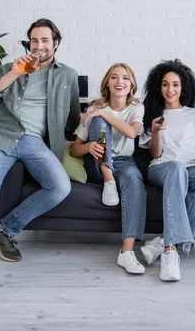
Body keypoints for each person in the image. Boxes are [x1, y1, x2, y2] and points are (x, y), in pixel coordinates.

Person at [0, 19, 80, 297]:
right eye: (34, 41)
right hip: (1, 135)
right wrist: (14, 73)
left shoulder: (67, 75)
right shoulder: (12, 67)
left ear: (55, 44)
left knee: (60, 186)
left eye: (45, 40)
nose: (39, 46)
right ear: (29, 44)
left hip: (35, 142)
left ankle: (3, 229)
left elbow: (72, 119)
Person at [139, 59, 195, 282]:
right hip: (162, 169)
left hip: (191, 170)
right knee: (176, 168)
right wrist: (155, 131)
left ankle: (164, 242)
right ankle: (169, 253)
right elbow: (155, 154)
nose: (170, 89)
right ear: (159, 87)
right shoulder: (151, 115)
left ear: (183, 87)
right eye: (165, 84)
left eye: (175, 84)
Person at [69, 63, 147, 274]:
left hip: (124, 162)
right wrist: (89, 146)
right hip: (97, 162)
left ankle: (127, 252)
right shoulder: (94, 109)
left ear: (131, 86)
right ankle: (108, 178)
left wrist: (103, 114)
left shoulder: (136, 108)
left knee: (134, 181)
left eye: (125, 78)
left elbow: (132, 133)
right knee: (97, 121)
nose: (119, 81)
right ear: (107, 83)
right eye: (114, 77)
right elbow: (75, 151)